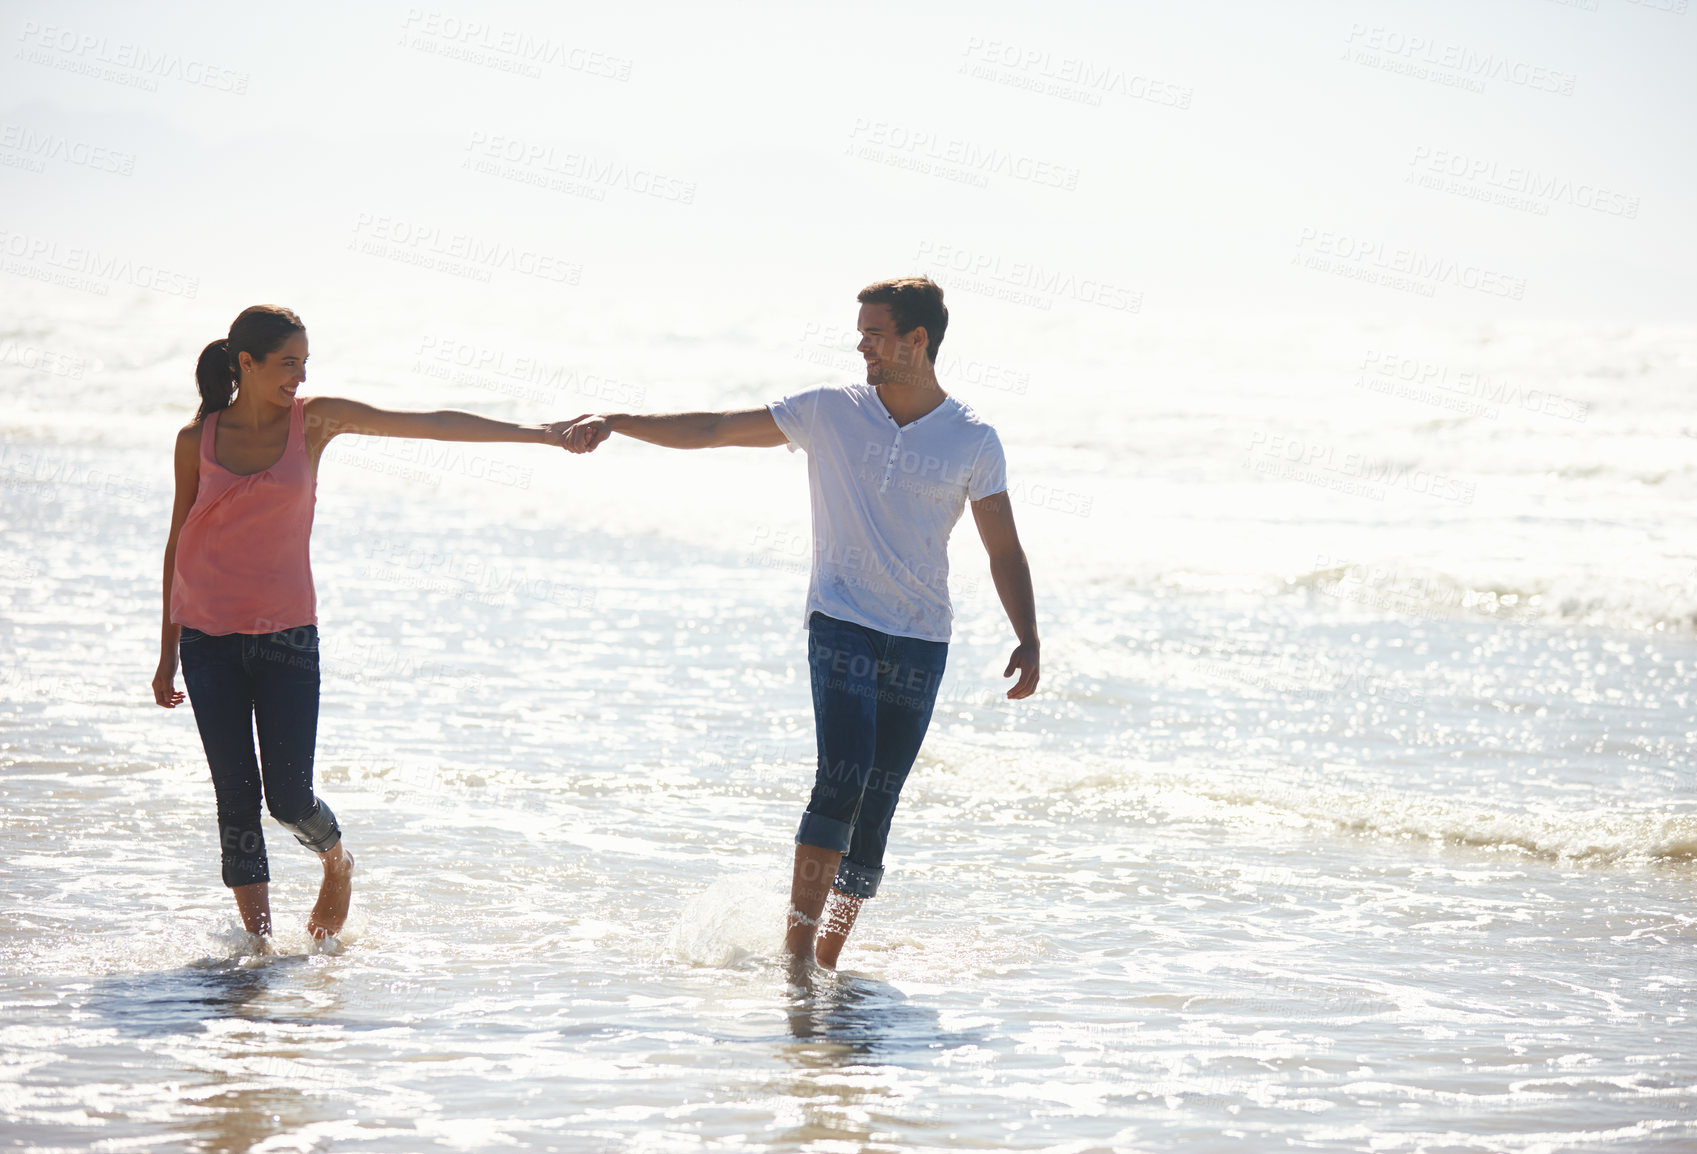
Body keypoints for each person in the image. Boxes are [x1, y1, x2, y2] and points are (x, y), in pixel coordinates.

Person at [565, 276, 1039, 971]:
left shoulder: (973, 438)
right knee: (840, 782)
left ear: (917, 340)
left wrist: (1028, 635)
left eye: (874, 333)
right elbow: (715, 430)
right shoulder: (829, 411)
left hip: (921, 636)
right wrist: (618, 421)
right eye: (861, 332)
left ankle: (828, 956)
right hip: (841, 619)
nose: (861, 344)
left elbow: (1004, 548)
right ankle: (796, 957)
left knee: (878, 803)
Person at [152, 304, 583, 946]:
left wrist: (541, 433)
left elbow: (428, 424)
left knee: (288, 799)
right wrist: (167, 651)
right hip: (207, 643)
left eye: (304, 363)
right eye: (287, 363)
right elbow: (177, 542)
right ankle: (262, 954)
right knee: (235, 804)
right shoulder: (197, 440)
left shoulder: (313, 421)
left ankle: (336, 862)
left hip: (287, 637)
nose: (299, 376)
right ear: (247, 363)